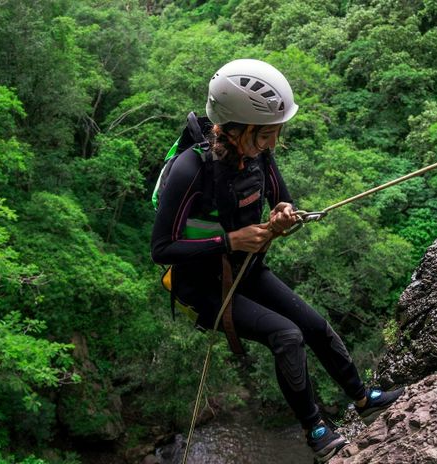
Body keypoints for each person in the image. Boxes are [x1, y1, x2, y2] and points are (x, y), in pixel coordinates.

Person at [150, 59, 404, 462]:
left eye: (276, 134)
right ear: (235, 128)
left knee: (314, 325)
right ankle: (316, 429)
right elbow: (160, 250)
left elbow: (281, 203)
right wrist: (229, 239)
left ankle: (362, 396)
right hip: (202, 287)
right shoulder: (190, 170)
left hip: (247, 271)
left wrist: (284, 217)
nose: (272, 143)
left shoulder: (258, 156)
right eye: (266, 135)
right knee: (286, 335)